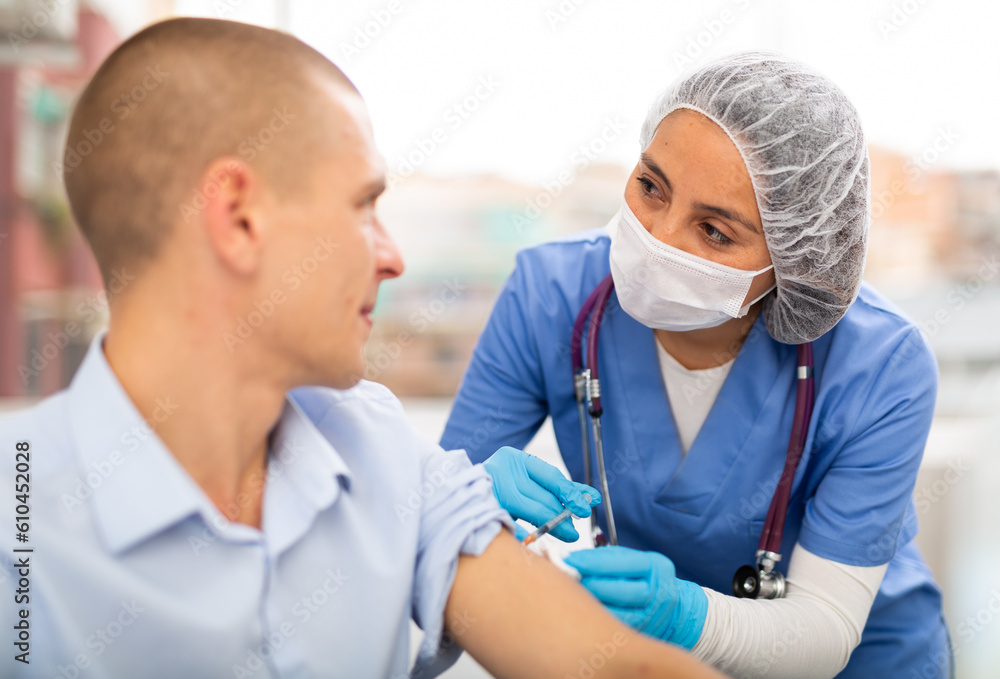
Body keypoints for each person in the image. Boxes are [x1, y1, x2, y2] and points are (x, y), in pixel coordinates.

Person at [0, 18, 724, 679]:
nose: (393, 257)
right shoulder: (19, 528)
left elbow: (615, 668)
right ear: (239, 218)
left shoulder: (374, 445)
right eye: (363, 207)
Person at [442, 52, 952, 678]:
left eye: (714, 231)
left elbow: (825, 626)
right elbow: (435, 513)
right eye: (651, 187)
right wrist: (463, 493)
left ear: (794, 258)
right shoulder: (549, 295)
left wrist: (684, 615)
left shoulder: (881, 365)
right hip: (650, 661)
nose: (658, 239)